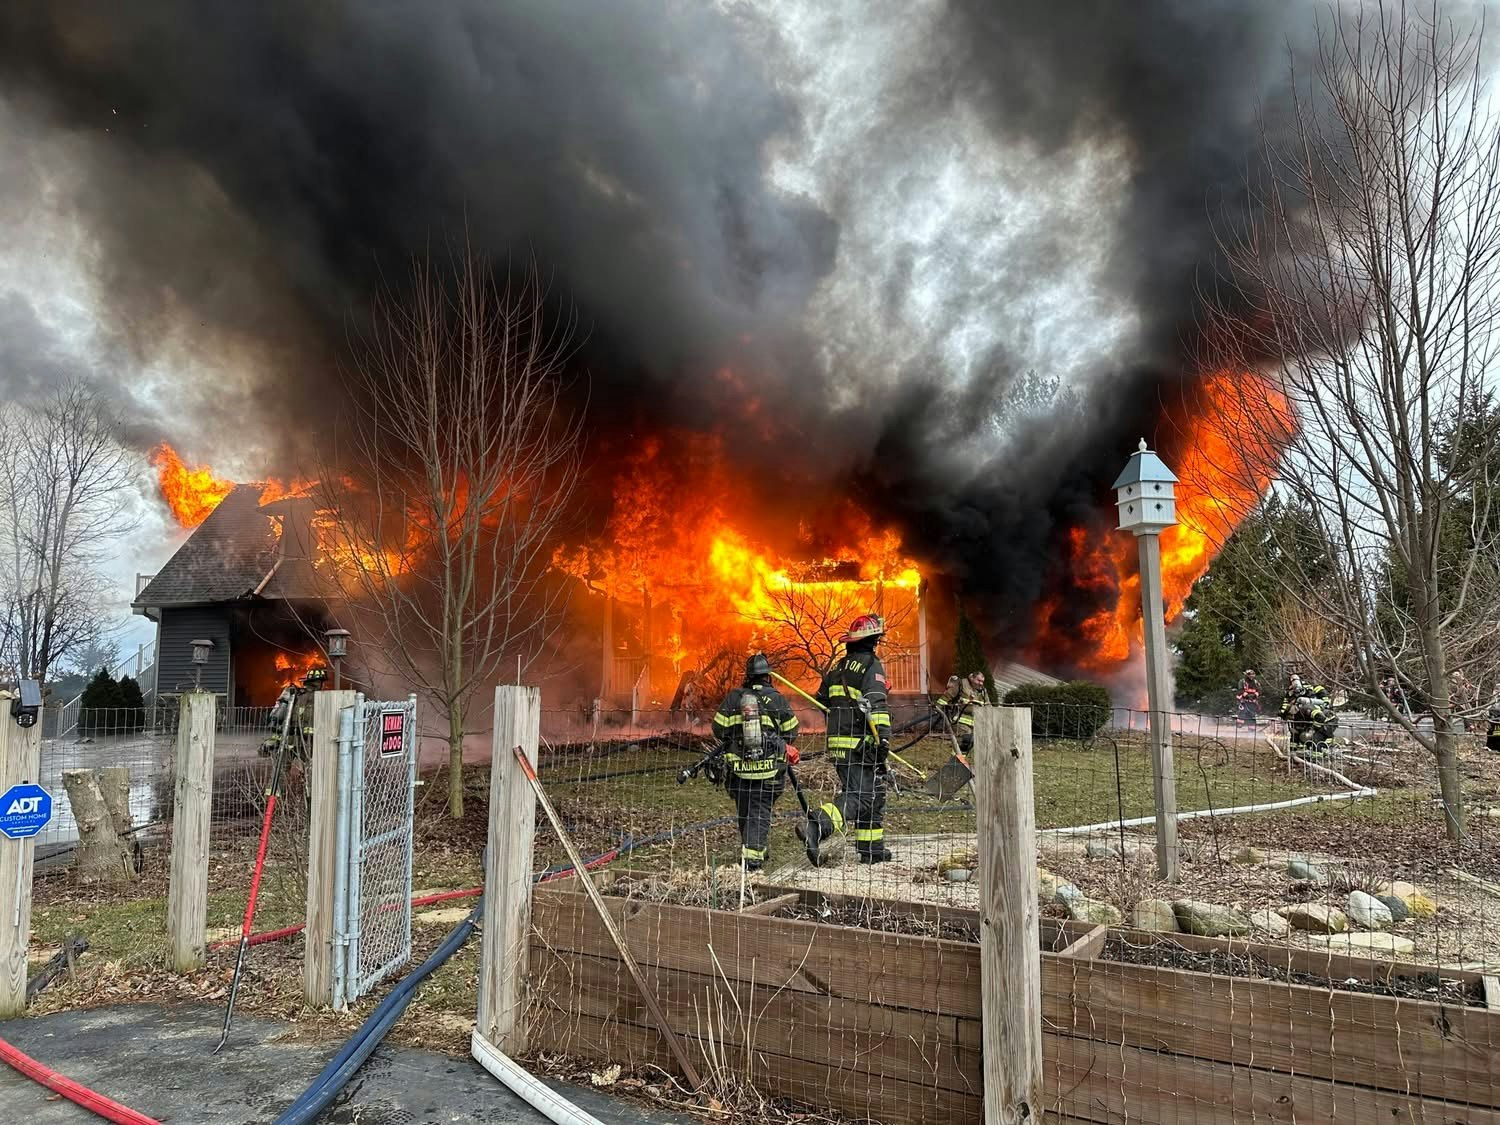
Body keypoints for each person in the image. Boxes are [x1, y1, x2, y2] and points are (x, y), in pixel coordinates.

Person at [800, 613, 892, 864]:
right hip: (861, 743)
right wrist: (883, 738)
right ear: (873, 641)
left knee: (872, 793)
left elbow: (822, 700)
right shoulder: (871, 665)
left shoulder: (838, 668)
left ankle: (871, 849)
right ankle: (817, 825)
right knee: (859, 795)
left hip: (839, 743)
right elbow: (876, 704)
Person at [710, 653, 800, 871]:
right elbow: (792, 731)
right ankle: (752, 860)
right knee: (760, 811)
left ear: (748, 676)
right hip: (768, 772)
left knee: (745, 810)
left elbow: (718, 729)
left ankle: (754, 848)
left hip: (739, 771)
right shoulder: (777, 699)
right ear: (768, 676)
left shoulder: (734, 698)